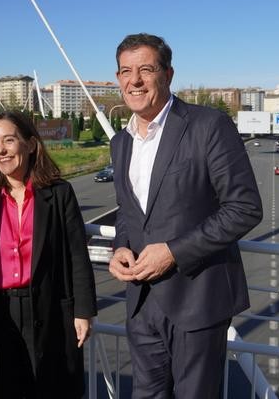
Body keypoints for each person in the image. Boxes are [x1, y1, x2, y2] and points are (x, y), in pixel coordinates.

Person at [108, 33, 263, 398]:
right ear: (117, 79)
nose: (135, 80)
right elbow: (129, 215)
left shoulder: (208, 125)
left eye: (146, 69)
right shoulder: (120, 142)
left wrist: (174, 251)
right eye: (126, 71)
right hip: (141, 301)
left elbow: (244, 207)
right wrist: (119, 247)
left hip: (197, 299)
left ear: (168, 74)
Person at [0, 111, 97, 399]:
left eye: (8, 140)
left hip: (47, 309)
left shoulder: (58, 194)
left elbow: (77, 255)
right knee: (1, 388)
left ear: (30, 145)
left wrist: (83, 310)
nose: (0, 151)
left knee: (48, 387)